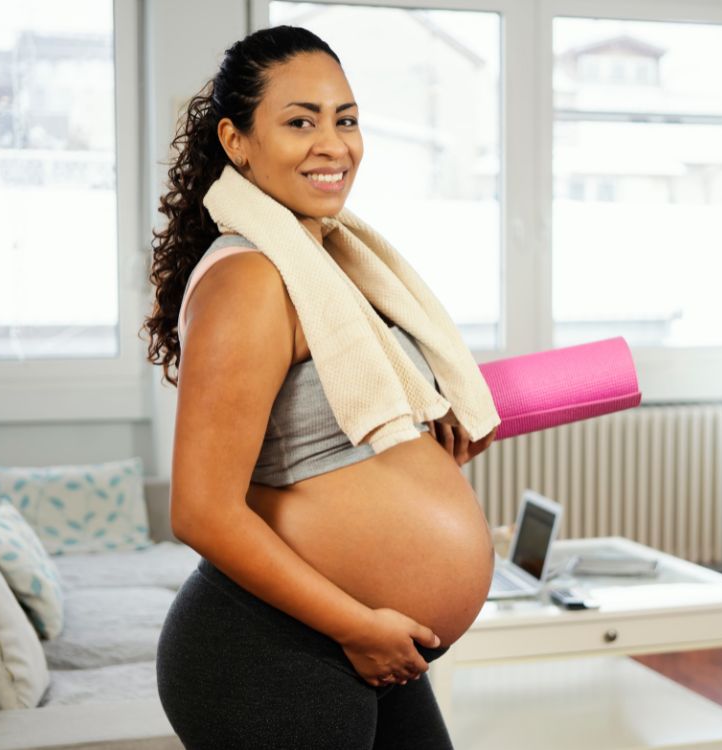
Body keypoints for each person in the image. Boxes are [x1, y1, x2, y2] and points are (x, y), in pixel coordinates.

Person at [142, 25, 498, 750]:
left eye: (347, 120)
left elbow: (322, 440)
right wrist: (357, 625)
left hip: (353, 636)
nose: (334, 144)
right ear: (237, 142)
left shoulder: (322, 261)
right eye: (300, 121)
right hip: (276, 649)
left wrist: (414, 453)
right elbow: (201, 511)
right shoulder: (249, 277)